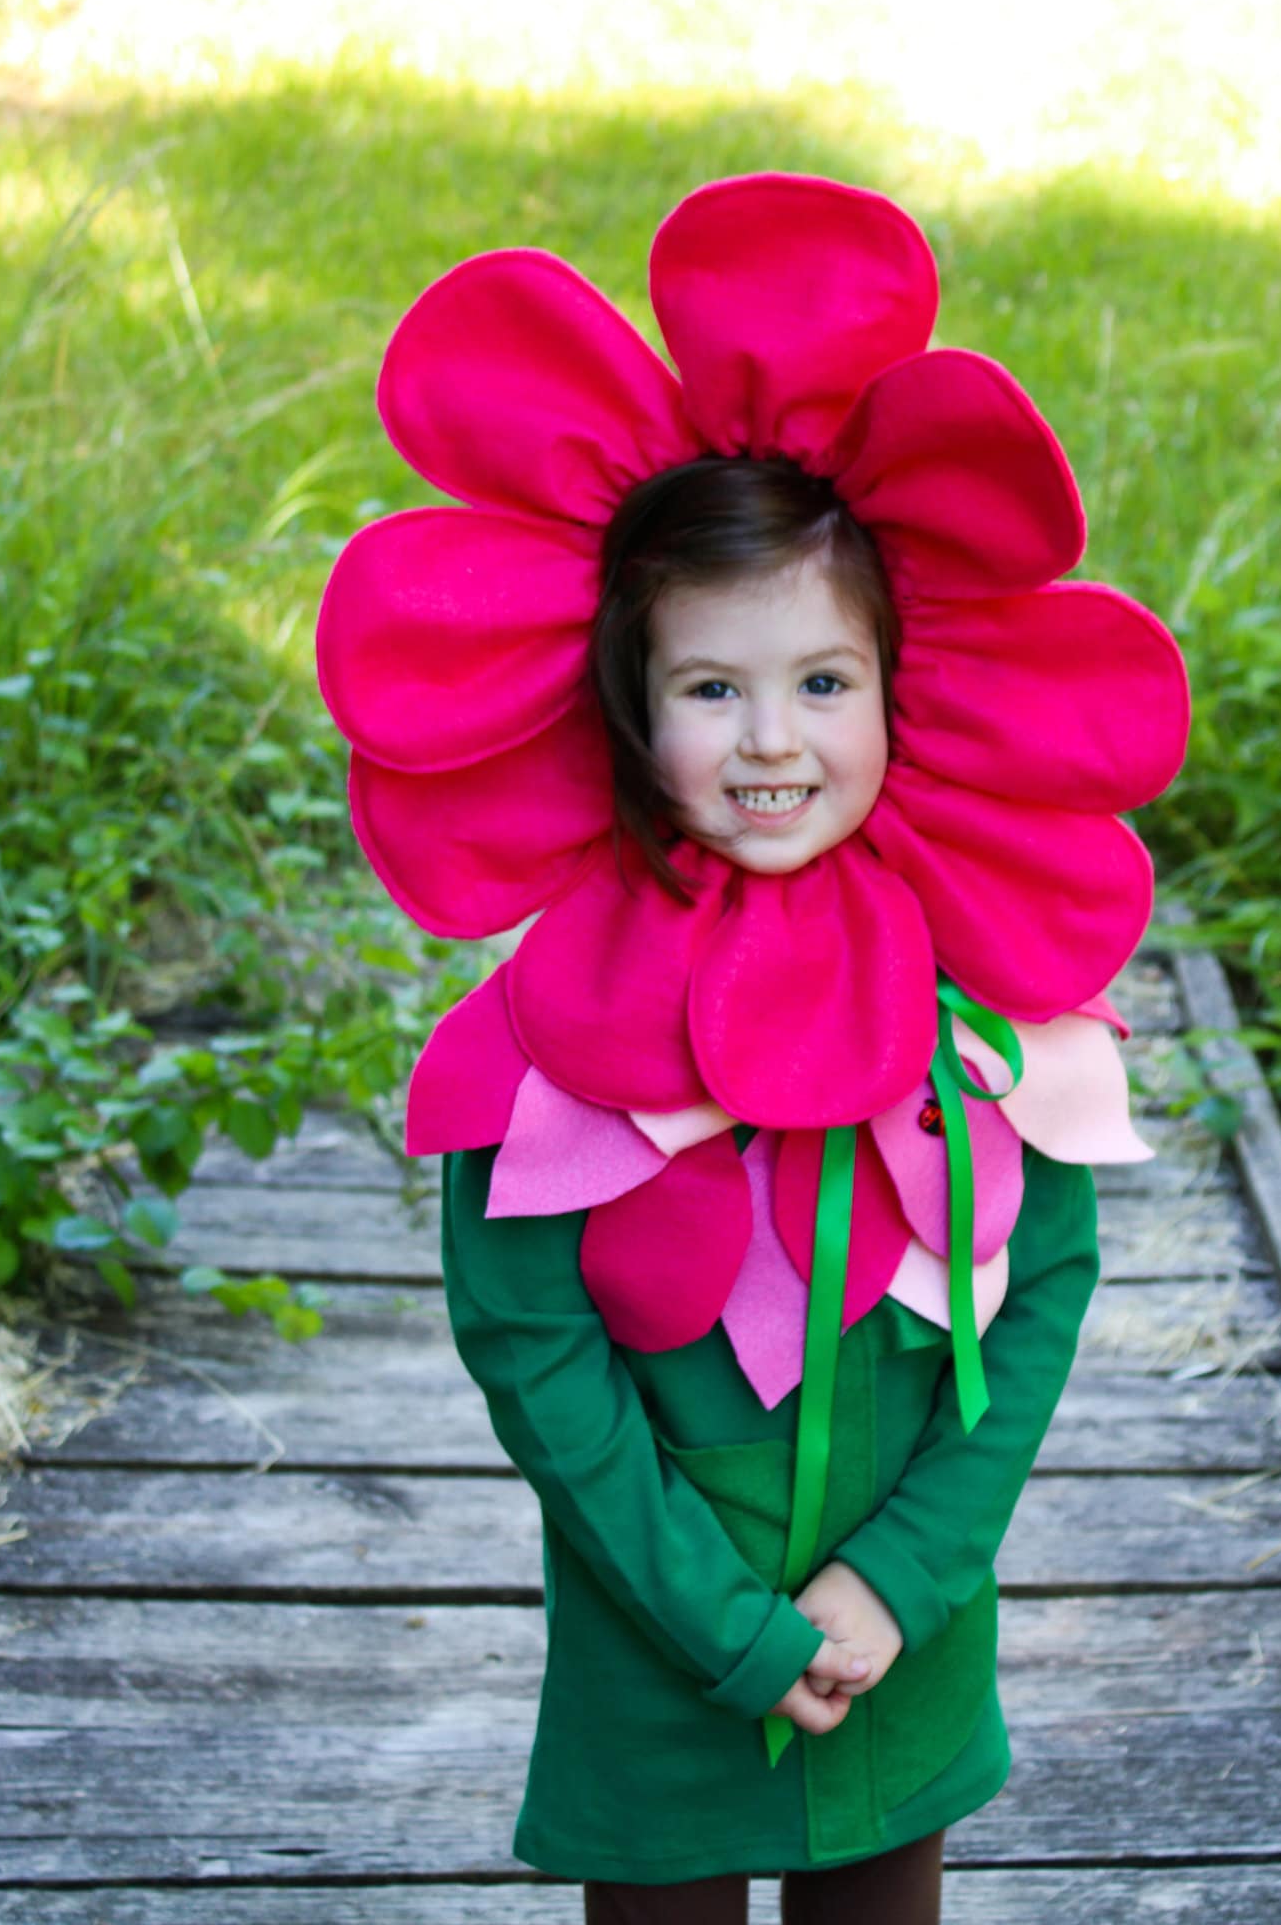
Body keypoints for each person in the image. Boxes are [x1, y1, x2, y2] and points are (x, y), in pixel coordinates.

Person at [314, 172, 1192, 1923]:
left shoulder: (981, 1007)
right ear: (629, 715)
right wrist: (725, 1630)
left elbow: (1040, 1299)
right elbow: (533, 1348)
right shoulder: (559, 1027)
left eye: (823, 683)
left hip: (906, 1628)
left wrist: (901, 1579)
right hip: (663, 1638)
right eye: (712, 690)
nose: (773, 741)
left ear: (899, 683)